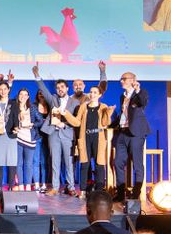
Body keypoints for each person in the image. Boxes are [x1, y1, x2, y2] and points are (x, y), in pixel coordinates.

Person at [32, 62, 79, 197]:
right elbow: (44, 89)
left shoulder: (74, 102)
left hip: (67, 134)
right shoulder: (53, 99)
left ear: (67, 88)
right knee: (54, 162)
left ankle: (70, 187)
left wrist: (64, 125)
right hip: (53, 134)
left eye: (62, 87)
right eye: (58, 88)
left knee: (69, 163)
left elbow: (76, 120)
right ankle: (55, 187)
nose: (60, 89)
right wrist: (37, 76)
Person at [61, 86, 116, 199]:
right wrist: (66, 114)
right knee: (84, 165)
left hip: (98, 138)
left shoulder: (103, 107)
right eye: (91, 92)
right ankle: (83, 191)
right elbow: (76, 122)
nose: (92, 94)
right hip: (85, 137)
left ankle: (100, 191)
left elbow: (105, 123)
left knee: (99, 165)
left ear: (99, 95)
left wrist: (109, 113)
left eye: (95, 92)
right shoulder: (83, 107)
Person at [111, 72, 151, 202]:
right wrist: (110, 124)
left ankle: (136, 193)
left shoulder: (141, 93)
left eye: (124, 79)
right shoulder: (123, 97)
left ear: (133, 80)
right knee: (118, 162)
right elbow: (123, 114)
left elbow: (142, 102)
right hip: (123, 132)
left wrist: (138, 90)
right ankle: (121, 193)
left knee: (137, 164)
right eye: (121, 78)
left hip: (136, 133)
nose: (121, 81)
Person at [0, 82, 19, 197]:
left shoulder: (13, 103)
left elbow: (16, 118)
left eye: (5, 89)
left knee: (11, 162)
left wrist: (16, 128)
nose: (3, 91)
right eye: (0, 89)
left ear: (8, 90)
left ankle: (11, 187)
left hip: (10, 135)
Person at [15, 88, 43, 191]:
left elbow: (40, 121)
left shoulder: (32, 108)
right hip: (18, 138)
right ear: (18, 96)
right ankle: (21, 185)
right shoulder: (14, 107)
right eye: (21, 94)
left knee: (28, 163)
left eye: (25, 94)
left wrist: (32, 124)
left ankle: (27, 184)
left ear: (28, 97)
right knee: (18, 163)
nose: (23, 96)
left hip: (30, 138)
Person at [32, 90, 50, 193]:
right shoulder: (33, 106)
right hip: (36, 136)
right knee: (35, 161)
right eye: (39, 93)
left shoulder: (50, 106)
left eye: (43, 93)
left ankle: (44, 184)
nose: (41, 95)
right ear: (37, 95)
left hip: (47, 137)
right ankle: (36, 184)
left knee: (44, 162)